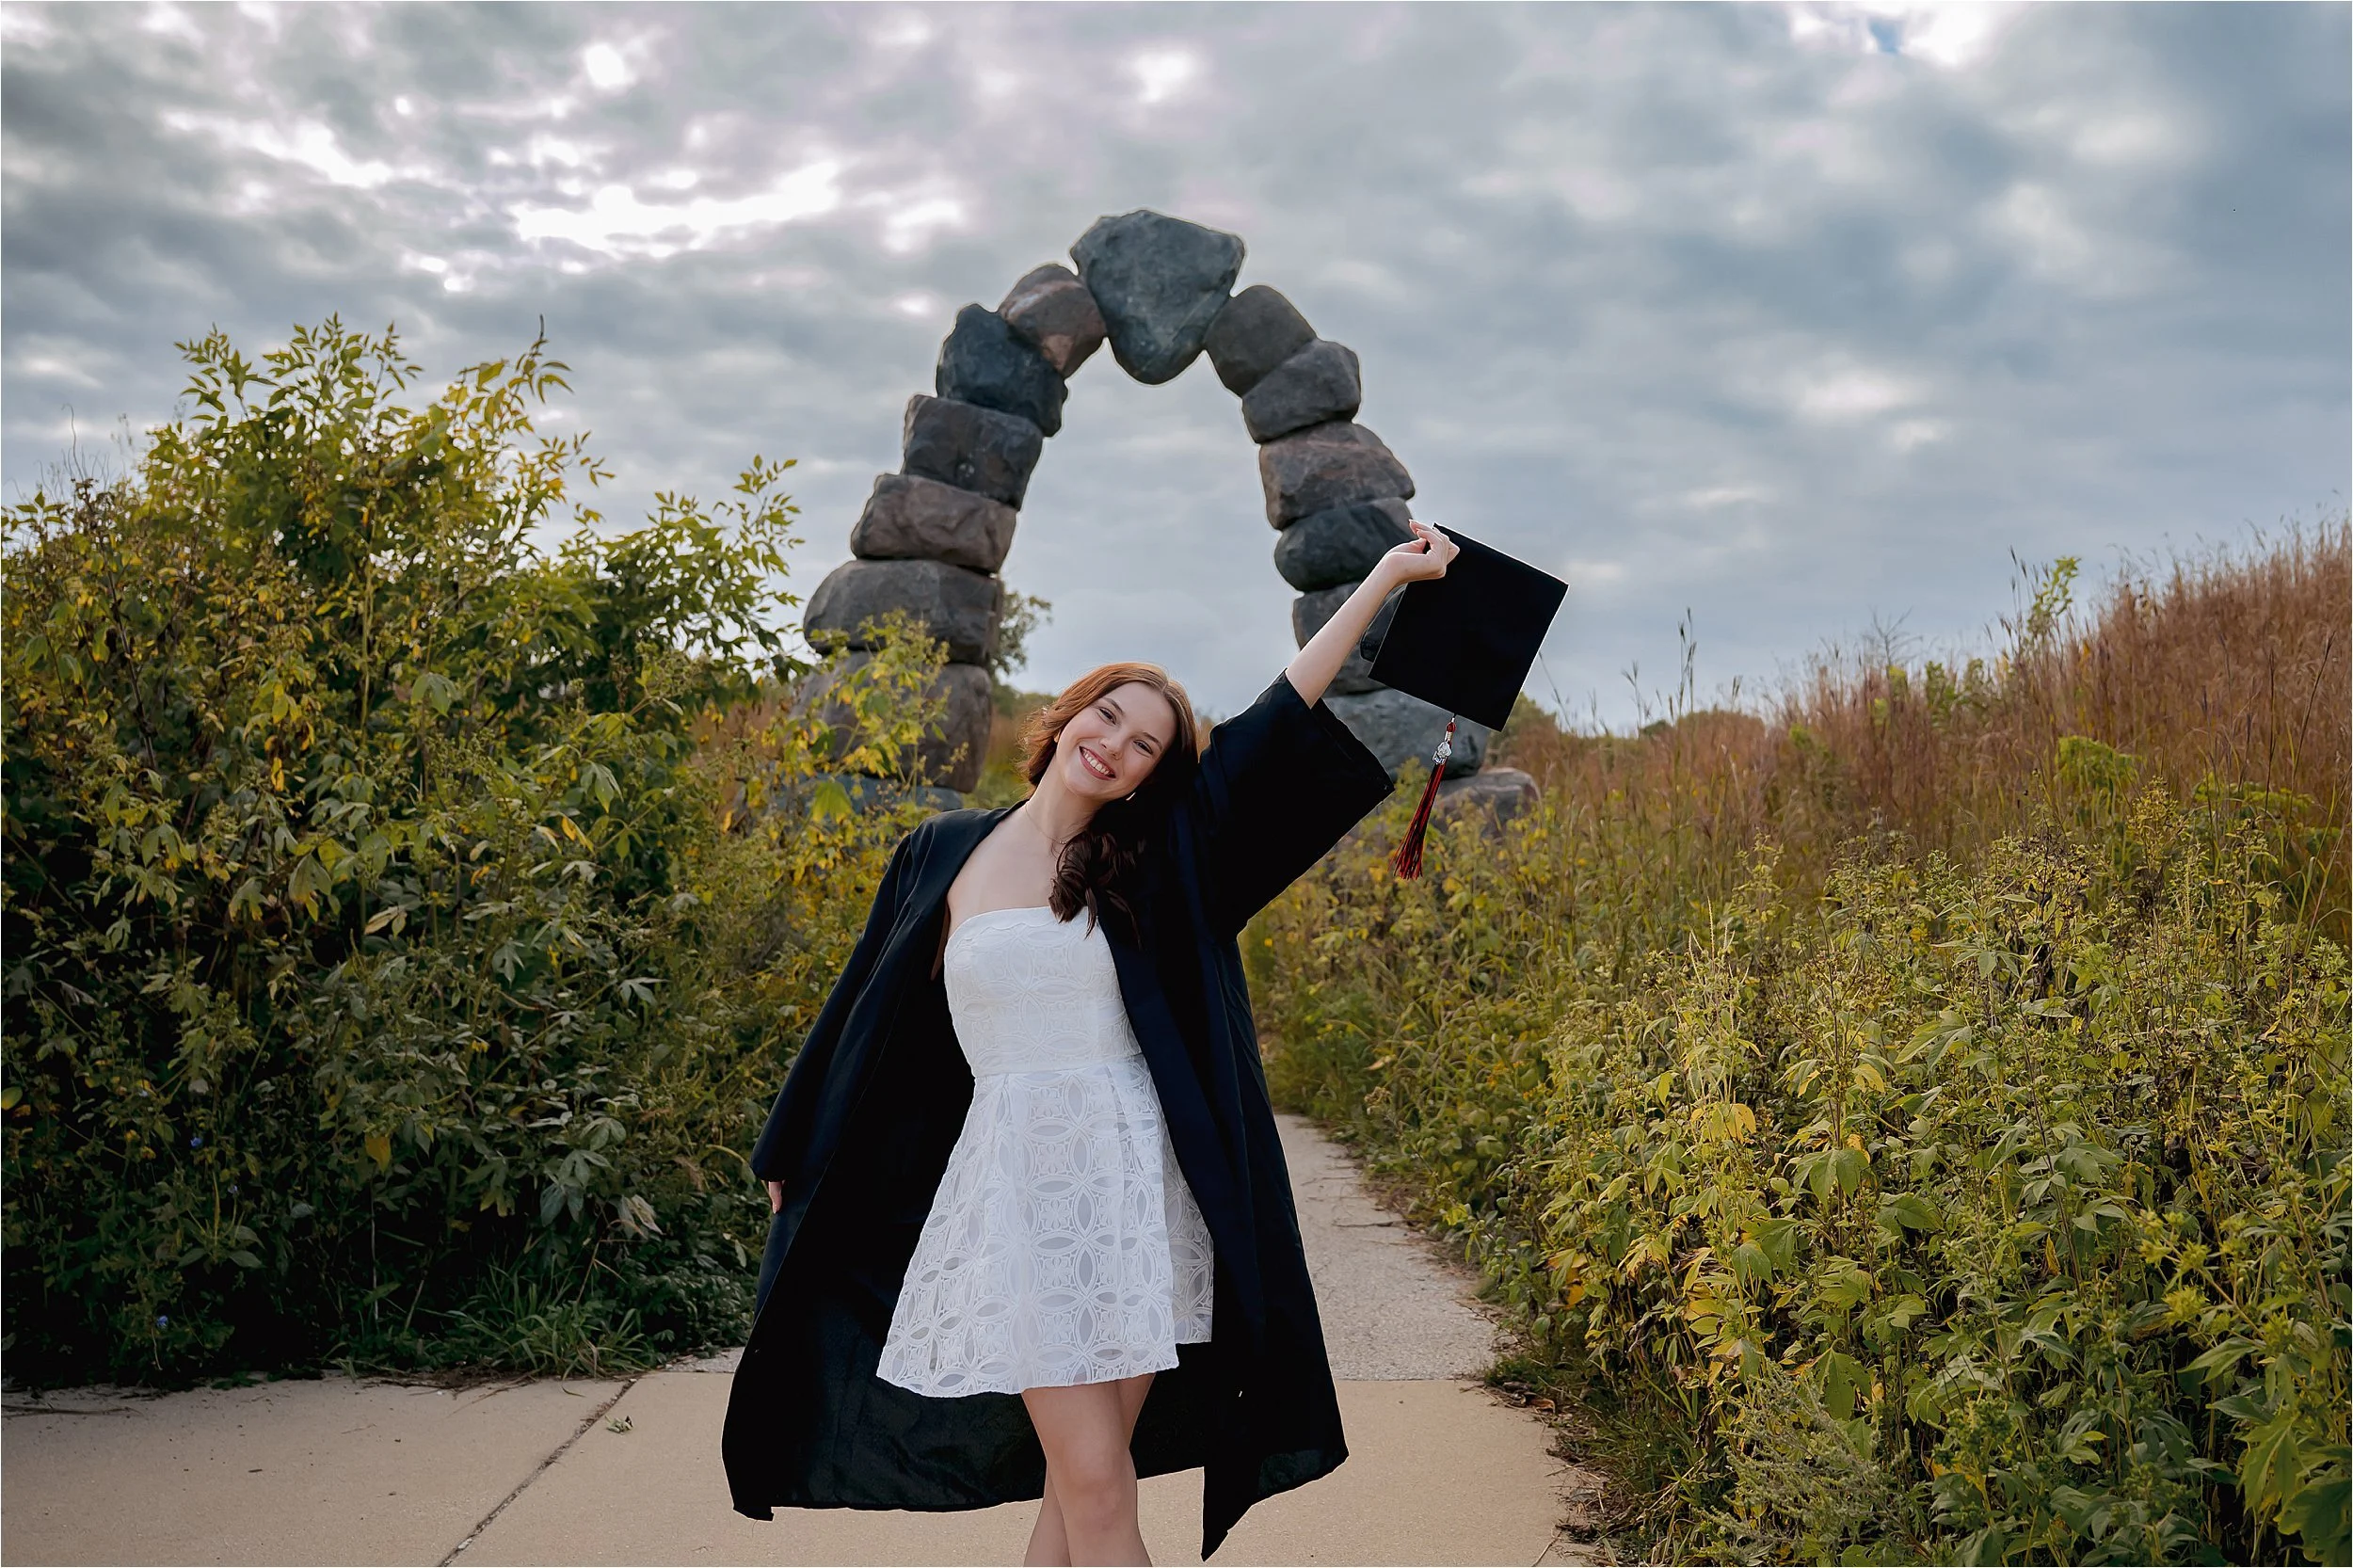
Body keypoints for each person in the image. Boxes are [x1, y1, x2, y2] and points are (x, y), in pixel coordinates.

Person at [723, 520, 1462, 1565]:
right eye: (1105, 716)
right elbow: (859, 1013)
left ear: (1144, 777)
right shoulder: (942, 853)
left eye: (1142, 744)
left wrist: (1387, 576)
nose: (1112, 743)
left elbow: (1273, 715)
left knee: (1080, 1499)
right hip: (1020, 1190)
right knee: (1092, 1490)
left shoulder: (1151, 863)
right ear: (1066, 716)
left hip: (1133, 1190)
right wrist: (792, 1150)